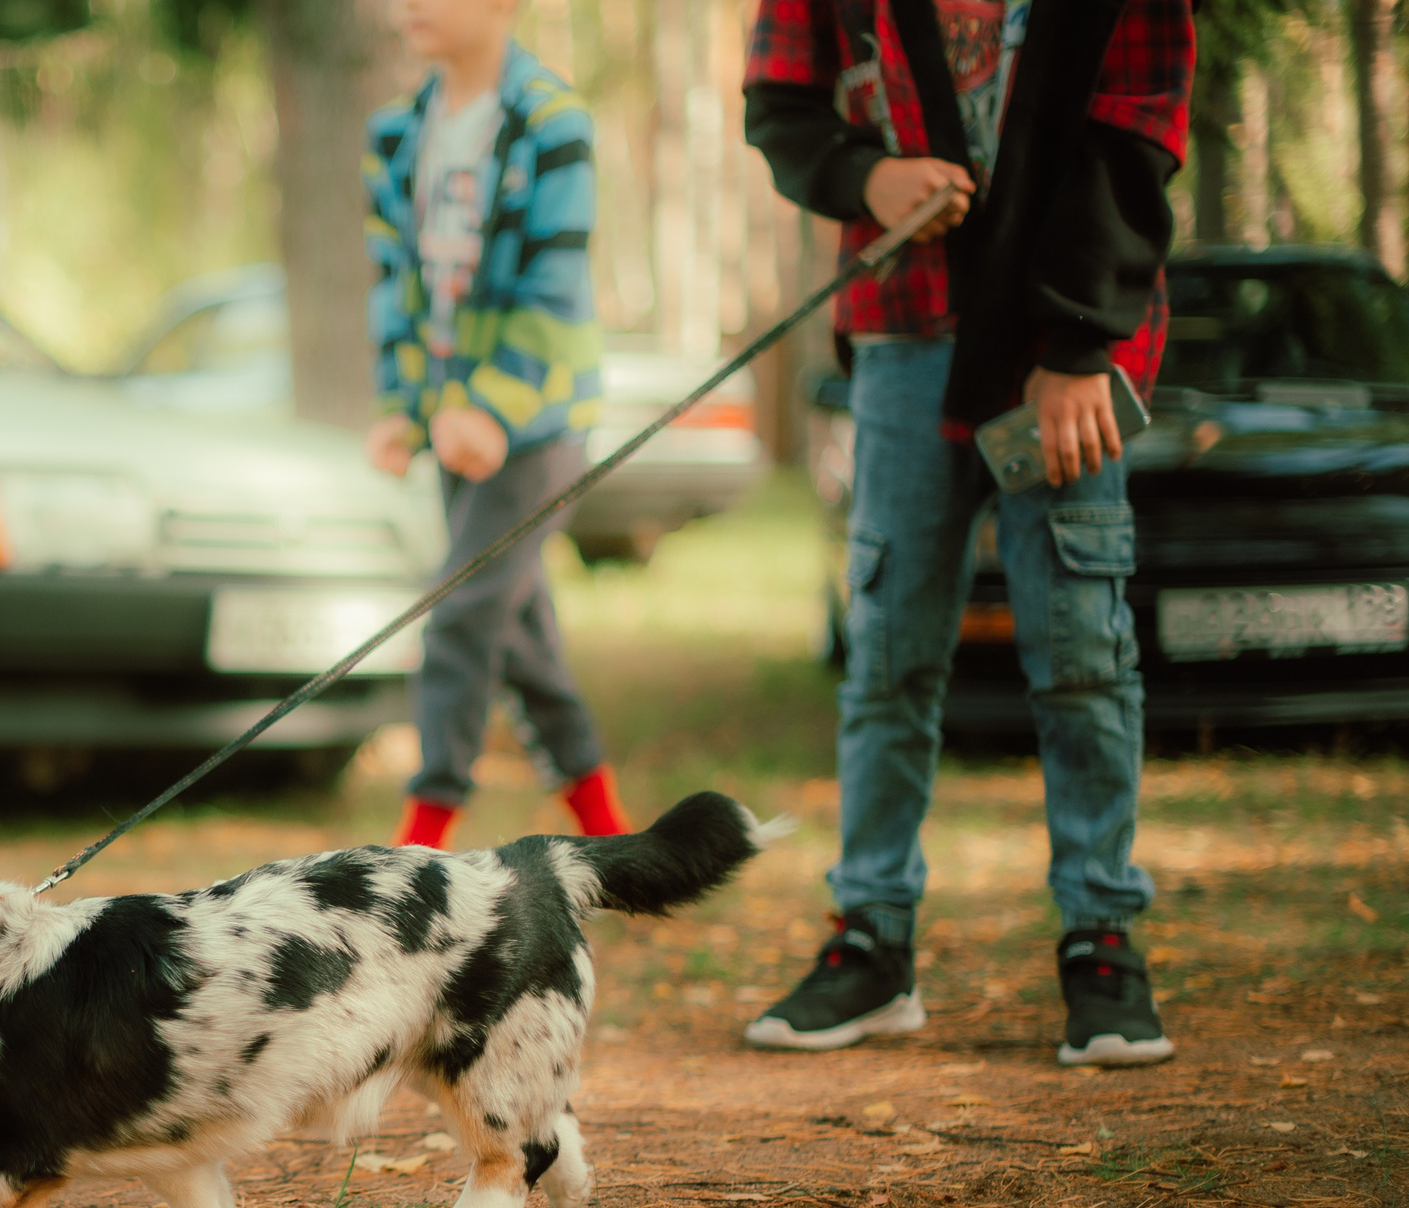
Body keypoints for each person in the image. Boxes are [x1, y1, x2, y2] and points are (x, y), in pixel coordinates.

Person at [739, 0, 1192, 1065]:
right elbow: (780, 106)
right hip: (904, 334)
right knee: (887, 654)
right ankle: (872, 941)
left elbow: (1137, 127)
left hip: (1066, 347)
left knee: (1081, 651)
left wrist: (1081, 339)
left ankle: (1101, 939)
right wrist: (866, 178)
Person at [365, 0, 630, 850]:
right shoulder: (398, 134)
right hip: (453, 427)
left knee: (462, 612)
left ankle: (421, 840)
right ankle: (610, 837)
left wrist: (492, 405)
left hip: (535, 421)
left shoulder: (552, 124)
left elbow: (552, 288)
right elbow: (392, 285)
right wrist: (407, 409)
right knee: (521, 635)